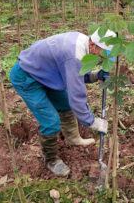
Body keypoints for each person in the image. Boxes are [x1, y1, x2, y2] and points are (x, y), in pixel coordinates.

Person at [9, 29, 115, 177]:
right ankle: (51, 160)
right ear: (94, 45)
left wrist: (95, 75)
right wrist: (91, 121)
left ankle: (73, 139)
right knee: (51, 122)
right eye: (102, 54)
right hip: (27, 77)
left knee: (64, 104)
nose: (101, 58)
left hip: (47, 74)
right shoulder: (74, 55)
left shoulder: (83, 43)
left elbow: (74, 74)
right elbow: (76, 96)